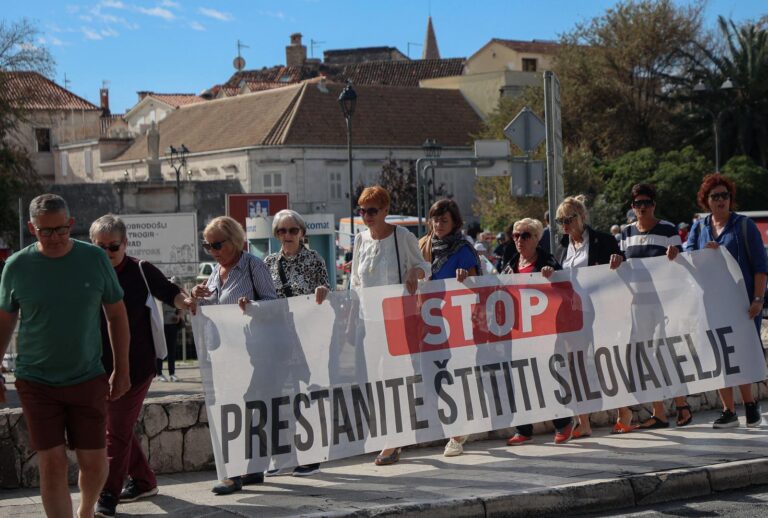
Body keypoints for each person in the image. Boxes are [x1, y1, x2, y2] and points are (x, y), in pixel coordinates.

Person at [0, 194, 130, 518]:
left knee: (94, 462)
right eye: (46, 231)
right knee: (52, 461)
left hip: (87, 376)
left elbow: (117, 315)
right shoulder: (16, 266)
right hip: (36, 379)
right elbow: (5, 320)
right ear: (32, 228)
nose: (55, 238)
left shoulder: (95, 259)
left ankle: (85, 510)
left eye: (61, 229)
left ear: (72, 224)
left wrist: (122, 369)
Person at [89, 215, 196, 517]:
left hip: (136, 366)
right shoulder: (87, 271)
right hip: (96, 367)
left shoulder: (140, 270)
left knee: (116, 432)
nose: (107, 253)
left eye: (113, 247)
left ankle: (108, 494)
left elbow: (169, 292)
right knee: (115, 428)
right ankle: (145, 480)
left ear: (125, 244)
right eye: (100, 247)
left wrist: (185, 302)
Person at [191, 216, 278, 494]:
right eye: (208, 245)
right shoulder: (217, 271)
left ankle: (234, 473)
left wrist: (251, 306)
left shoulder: (254, 266)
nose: (213, 250)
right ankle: (251, 470)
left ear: (235, 241)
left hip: (252, 354)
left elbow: (273, 303)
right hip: (224, 355)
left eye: (217, 244)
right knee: (235, 411)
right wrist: (198, 294)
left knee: (242, 412)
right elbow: (211, 307)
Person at [351, 186, 431, 466]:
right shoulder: (360, 240)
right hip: (369, 321)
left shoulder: (402, 236)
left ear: (385, 210)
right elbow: (354, 282)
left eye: (372, 210)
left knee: (395, 378)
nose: (367, 215)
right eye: (362, 210)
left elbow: (425, 267)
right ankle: (389, 433)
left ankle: (395, 439)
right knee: (376, 380)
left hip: (398, 318)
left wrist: (413, 270)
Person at [684, 174, 767, 429]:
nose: (721, 200)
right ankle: (728, 410)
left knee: (740, 354)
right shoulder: (699, 228)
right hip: (712, 305)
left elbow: (760, 267)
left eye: (725, 195)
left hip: (742, 305)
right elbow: (689, 258)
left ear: (730, 198)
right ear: (706, 201)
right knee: (718, 357)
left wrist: (758, 299)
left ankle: (750, 405)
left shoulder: (744, 226)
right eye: (715, 196)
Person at [261, 209, 330, 476]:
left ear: (302, 233)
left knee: (305, 398)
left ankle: (310, 456)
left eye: (292, 230)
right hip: (276, 342)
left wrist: (323, 292)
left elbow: (325, 294)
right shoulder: (267, 262)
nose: (287, 235)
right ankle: (280, 458)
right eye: (281, 230)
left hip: (306, 342)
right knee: (276, 400)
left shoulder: (314, 260)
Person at [618, 184, 690, 432]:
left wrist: (676, 255)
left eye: (647, 202)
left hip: (665, 305)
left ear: (654, 205)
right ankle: (660, 411)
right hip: (638, 306)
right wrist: (615, 261)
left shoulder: (668, 229)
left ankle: (681, 404)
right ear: (632, 207)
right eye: (638, 203)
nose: (642, 207)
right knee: (648, 359)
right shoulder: (626, 234)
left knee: (666, 354)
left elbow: (683, 262)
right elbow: (621, 265)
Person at [553, 195, 623, 437]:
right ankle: (583, 422)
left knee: (608, 362)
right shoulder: (562, 247)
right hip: (574, 315)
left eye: (569, 219)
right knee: (576, 367)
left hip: (601, 311)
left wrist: (618, 260)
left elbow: (621, 268)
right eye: (560, 220)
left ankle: (624, 412)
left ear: (582, 217)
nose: (565, 225)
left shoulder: (603, 240)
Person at [502, 218, 575, 446]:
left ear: (537, 238)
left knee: (547, 376)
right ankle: (523, 429)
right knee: (518, 377)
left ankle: (563, 423)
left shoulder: (548, 262)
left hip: (544, 331)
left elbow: (566, 291)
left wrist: (552, 276)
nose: (519, 240)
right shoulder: (510, 262)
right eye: (515, 236)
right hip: (518, 331)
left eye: (525, 235)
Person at [418, 199, 482, 457]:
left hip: (456, 323)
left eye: (444, 220)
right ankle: (455, 426)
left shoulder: (463, 249)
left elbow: (479, 288)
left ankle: (456, 435)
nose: (438, 224)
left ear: (455, 222)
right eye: (435, 219)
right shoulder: (423, 246)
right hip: (427, 322)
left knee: (453, 377)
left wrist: (466, 280)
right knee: (434, 379)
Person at [157, 294, 181, 383]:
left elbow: (180, 308)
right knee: (161, 349)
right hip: (161, 325)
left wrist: (178, 317)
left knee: (172, 349)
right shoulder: (159, 295)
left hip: (172, 325)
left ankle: (172, 373)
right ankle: (159, 373)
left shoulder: (176, 296)